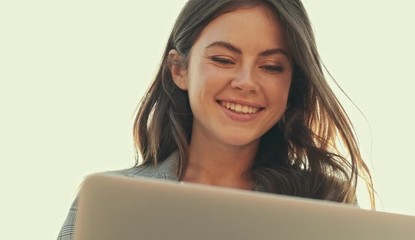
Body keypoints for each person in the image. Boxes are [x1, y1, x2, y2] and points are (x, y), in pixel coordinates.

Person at [58, 0, 375, 239]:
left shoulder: (326, 203)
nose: (246, 82)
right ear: (179, 70)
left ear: (292, 84)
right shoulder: (105, 203)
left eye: (272, 66)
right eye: (223, 60)